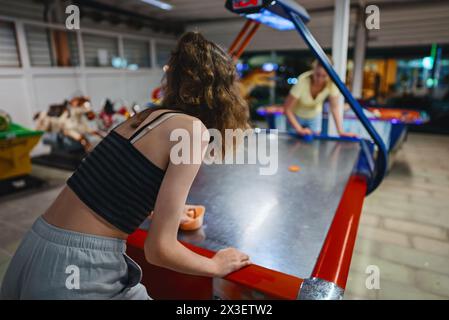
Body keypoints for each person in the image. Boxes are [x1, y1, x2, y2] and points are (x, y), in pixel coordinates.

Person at [0, 32, 251, 300]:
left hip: (35, 250)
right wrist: (216, 265)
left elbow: (108, 184)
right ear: (223, 92)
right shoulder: (192, 130)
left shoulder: (145, 117)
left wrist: (162, 209)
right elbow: (160, 249)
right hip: (77, 267)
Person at [283, 58, 355, 137]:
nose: (320, 79)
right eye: (317, 75)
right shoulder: (303, 80)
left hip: (314, 116)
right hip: (296, 116)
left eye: (324, 76)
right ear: (313, 70)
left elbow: (334, 108)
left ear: (329, 74)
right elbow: (287, 109)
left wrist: (341, 131)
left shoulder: (332, 83)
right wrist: (299, 129)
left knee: (314, 145)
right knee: (293, 143)